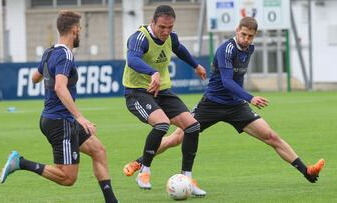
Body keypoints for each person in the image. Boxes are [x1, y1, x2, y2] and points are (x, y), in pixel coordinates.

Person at [123, 16, 325, 186]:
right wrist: (251, 97)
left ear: (254, 37)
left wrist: (243, 100)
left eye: (250, 36)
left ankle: (307, 171)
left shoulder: (249, 49)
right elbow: (227, 82)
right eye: (243, 34)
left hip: (236, 106)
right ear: (237, 30)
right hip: (211, 104)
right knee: (176, 138)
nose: (246, 39)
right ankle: (139, 163)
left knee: (271, 136)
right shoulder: (226, 49)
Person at [0, 10, 118, 203]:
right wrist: (80, 117)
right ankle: (20, 163)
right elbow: (60, 87)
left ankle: (112, 201)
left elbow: (34, 78)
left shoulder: (50, 51)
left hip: (58, 119)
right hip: (60, 122)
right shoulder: (65, 55)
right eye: (79, 29)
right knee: (68, 178)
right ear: (74, 30)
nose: (79, 33)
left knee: (99, 151)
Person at [122, 5, 207, 195]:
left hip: (163, 91)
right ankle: (144, 171)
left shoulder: (171, 37)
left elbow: (180, 49)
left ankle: (187, 178)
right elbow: (131, 59)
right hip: (137, 92)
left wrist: (196, 65)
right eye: (162, 27)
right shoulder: (140, 38)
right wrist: (152, 72)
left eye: (170, 28)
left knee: (193, 127)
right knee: (162, 124)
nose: (166, 32)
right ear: (152, 22)